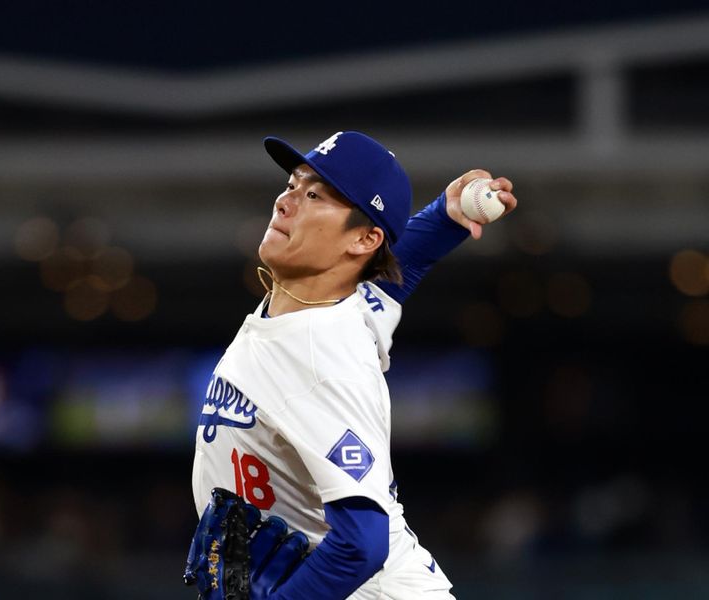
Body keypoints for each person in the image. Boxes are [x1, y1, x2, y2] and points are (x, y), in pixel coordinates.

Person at [191, 131, 517, 599]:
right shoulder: (335, 303)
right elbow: (388, 278)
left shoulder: (322, 359)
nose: (286, 202)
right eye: (292, 184)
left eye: (315, 195)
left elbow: (362, 544)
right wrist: (446, 218)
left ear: (364, 239)